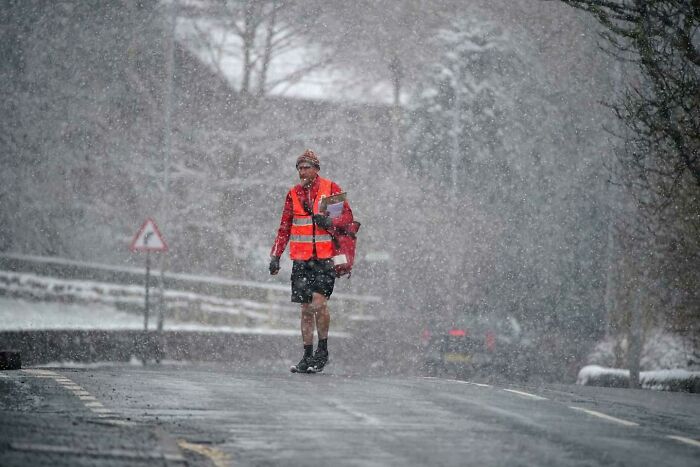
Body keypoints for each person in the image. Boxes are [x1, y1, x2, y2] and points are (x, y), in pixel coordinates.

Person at [269, 149, 353, 373]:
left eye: (306, 167)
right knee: (305, 309)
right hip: (301, 259)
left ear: (316, 169)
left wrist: (328, 220)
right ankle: (307, 355)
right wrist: (276, 255)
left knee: (319, 303)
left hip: (325, 259)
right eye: (299, 168)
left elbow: (346, 217)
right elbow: (284, 227)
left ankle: (322, 350)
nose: (302, 171)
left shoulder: (330, 189)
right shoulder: (293, 194)